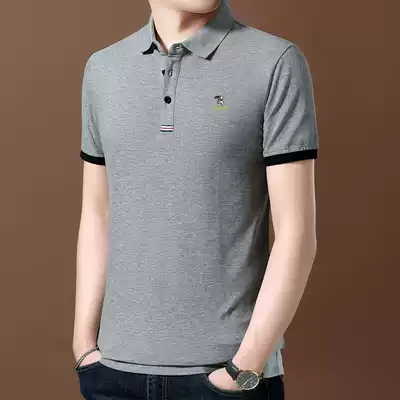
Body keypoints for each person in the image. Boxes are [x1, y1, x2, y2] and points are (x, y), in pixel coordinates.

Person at [72, 0, 319, 398]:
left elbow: (297, 233)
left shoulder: (275, 62)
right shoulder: (102, 69)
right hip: (113, 374)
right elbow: (97, 214)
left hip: (225, 377)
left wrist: (245, 367)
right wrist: (83, 344)